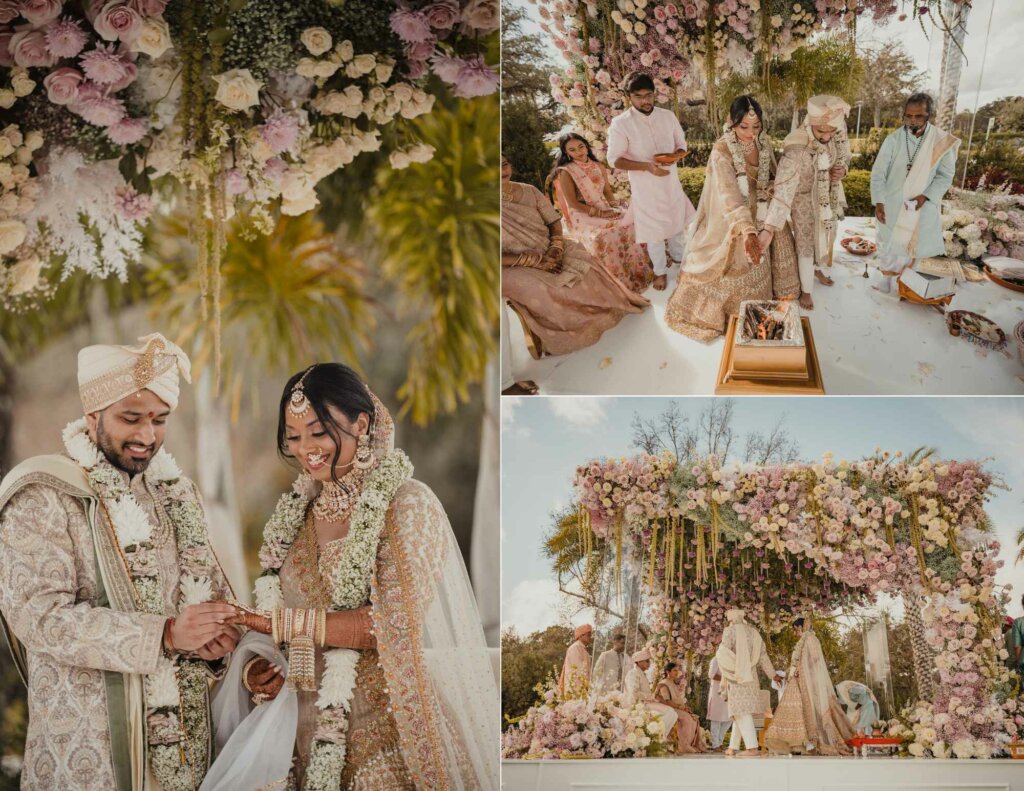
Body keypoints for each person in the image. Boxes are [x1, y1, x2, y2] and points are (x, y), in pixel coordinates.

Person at [212, 364, 498, 790]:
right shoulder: (294, 520)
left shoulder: (406, 504)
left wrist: (280, 625)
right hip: (300, 741)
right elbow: (276, 631)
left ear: (361, 424)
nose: (306, 448)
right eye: (294, 437)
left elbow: (390, 623)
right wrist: (256, 670)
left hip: (386, 738)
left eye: (318, 431)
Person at [0, 333, 239, 791]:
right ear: (92, 415)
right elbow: (40, 617)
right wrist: (166, 634)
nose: (147, 436)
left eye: (159, 419)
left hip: (186, 750)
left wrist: (221, 648)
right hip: (90, 756)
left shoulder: (175, 495)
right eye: (131, 418)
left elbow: (212, 595)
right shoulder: (44, 493)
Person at [666, 95, 800, 342]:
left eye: (756, 126)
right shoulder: (722, 150)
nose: (751, 133)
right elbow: (728, 194)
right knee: (729, 258)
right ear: (731, 123)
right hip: (732, 214)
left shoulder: (764, 142)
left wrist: (770, 186)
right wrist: (747, 230)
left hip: (760, 206)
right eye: (744, 127)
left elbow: (772, 172)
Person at [502, 155, 650, 357]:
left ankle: (603, 313)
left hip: (547, 247)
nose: (502, 171)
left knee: (586, 262)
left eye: (504, 164)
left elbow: (553, 221)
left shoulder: (528, 190)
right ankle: (568, 330)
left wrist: (555, 248)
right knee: (539, 288)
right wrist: (533, 260)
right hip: (511, 264)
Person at [606, 71, 696, 292]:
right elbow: (614, 160)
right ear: (629, 97)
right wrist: (646, 166)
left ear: (655, 94)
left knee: (676, 224)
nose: (645, 101)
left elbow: (681, 145)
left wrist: (675, 156)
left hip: (670, 182)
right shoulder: (621, 123)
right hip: (645, 187)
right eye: (639, 96)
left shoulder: (668, 117)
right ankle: (660, 272)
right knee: (654, 231)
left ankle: (679, 261)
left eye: (649, 95)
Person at [761, 95, 853, 310]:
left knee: (828, 232)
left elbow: (844, 155)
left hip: (827, 194)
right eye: (821, 131)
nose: (827, 136)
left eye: (831, 131)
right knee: (805, 241)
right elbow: (784, 189)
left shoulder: (837, 131)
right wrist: (769, 228)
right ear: (810, 123)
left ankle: (816, 268)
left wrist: (842, 170)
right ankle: (807, 290)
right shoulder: (797, 146)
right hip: (801, 197)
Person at [870, 92, 961, 293]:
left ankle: (908, 288)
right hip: (892, 203)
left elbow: (945, 176)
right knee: (889, 244)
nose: (912, 120)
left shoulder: (941, 142)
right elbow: (878, 174)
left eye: (918, 116)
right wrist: (879, 202)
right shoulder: (893, 140)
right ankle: (886, 282)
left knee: (915, 247)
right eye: (908, 115)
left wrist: (925, 196)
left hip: (923, 206)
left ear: (929, 115)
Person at [550, 132, 654, 293]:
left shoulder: (598, 166)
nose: (579, 152)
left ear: (586, 146)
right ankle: (618, 282)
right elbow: (572, 203)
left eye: (581, 147)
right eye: (572, 150)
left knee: (632, 220)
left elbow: (607, 193)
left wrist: (616, 206)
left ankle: (643, 271)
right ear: (566, 153)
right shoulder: (566, 171)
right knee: (607, 234)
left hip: (603, 208)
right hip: (582, 215)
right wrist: (600, 214)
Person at [764, 617, 853, 755]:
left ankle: (815, 741)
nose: (794, 633)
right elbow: (797, 663)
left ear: (800, 627)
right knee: (798, 709)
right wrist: (788, 674)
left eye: (795, 629)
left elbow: (815, 658)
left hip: (809, 681)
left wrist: (802, 671)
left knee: (815, 709)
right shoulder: (803, 640)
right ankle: (796, 744)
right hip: (799, 681)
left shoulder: (811, 639)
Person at [715, 608, 784, 757]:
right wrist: (773, 675)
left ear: (731, 618)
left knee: (740, 711)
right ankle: (732, 747)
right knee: (740, 711)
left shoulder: (730, 631)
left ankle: (752, 748)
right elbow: (763, 657)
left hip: (737, 676)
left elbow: (723, 654)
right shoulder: (755, 634)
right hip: (751, 678)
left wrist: (730, 669)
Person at [622, 649, 678, 739]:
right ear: (639, 662)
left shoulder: (641, 673)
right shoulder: (633, 673)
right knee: (670, 713)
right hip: (639, 705)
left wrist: (653, 696)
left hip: (647, 702)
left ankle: (657, 737)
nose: (649, 663)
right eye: (647, 661)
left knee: (672, 713)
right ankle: (656, 737)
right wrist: (650, 697)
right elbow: (633, 693)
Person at [655, 661, 707, 754]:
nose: (677, 672)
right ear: (668, 672)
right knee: (686, 718)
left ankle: (691, 745)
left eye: (677, 670)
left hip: (676, 707)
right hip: (667, 708)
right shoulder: (664, 684)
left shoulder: (672, 683)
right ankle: (684, 746)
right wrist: (681, 707)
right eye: (674, 670)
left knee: (693, 718)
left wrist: (684, 707)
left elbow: (677, 699)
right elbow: (666, 701)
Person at [591, 632, 633, 698]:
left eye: (625, 644)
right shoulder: (605, 655)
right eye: (622, 643)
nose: (624, 646)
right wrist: (598, 688)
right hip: (607, 691)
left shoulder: (625, 657)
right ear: (615, 642)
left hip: (621, 691)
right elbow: (596, 673)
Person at [560, 623, 594, 699]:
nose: (590, 637)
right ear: (581, 635)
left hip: (584, 688)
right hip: (575, 688)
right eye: (588, 635)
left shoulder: (584, 650)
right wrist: (589, 685)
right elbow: (579, 670)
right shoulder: (575, 648)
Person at [707, 656, 731, 750]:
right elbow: (711, 675)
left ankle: (720, 742)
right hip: (717, 692)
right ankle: (715, 744)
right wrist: (726, 679)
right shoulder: (716, 659)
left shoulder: (731, 658)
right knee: (716, 719)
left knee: (729, 718)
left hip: (728, 692)